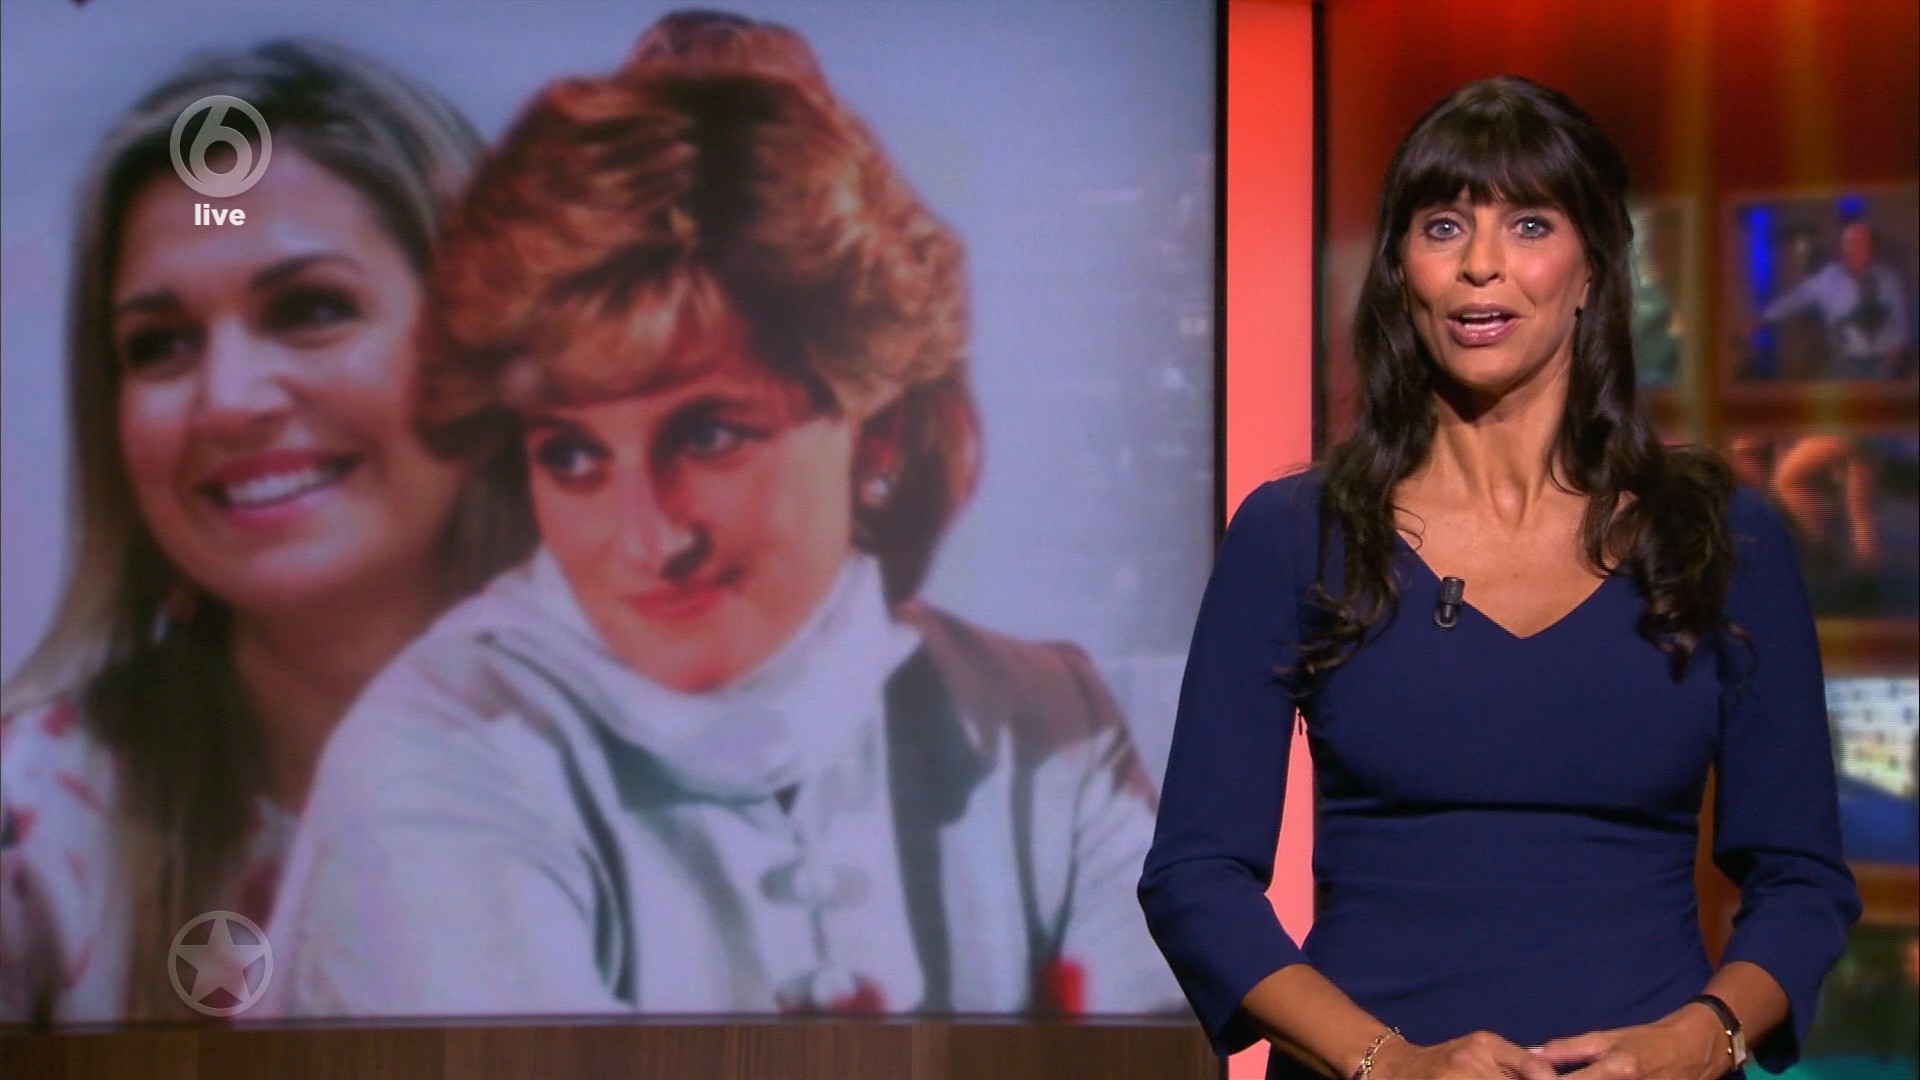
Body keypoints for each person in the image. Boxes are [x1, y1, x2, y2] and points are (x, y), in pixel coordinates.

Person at [265, 11, 1178, 1019]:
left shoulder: (1045, 719)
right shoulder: (435, 750)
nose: (647, 540)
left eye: (708, 437)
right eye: (572, 455)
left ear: (878, 433)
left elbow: (1157, 1055)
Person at [1140, 77, 1859, 1080]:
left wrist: (1704, 1038)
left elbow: (1802, 881)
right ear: (1401, 271)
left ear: (1593, 267)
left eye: (1529, 224)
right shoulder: (1298, 533)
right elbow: (1195, 877)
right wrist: (1390, 1063)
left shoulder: (1722, 537)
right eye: (1444, 227)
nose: (1481, 264)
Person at [0, 41, 531, 1023]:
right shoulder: (28, 823)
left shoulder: (715, 784)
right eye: (161, 345)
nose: (228, 399)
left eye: (311, 309)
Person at [1755, 219, 1912, 381]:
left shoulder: (1889, 279)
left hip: (1881, 363)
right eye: (1851, 243)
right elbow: (1797, 298)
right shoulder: (1828, 278)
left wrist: (1897, 347)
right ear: (1844, 248)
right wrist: (1762, 318)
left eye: (1863, 243)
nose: (1857, 248)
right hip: (1843, 362)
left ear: (1872, 248)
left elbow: (1900, 315)